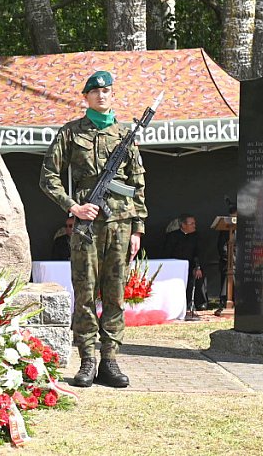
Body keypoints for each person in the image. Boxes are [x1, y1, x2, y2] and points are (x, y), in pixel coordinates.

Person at [40, 70, 147, 388]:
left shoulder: (125, 134)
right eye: (95, 91)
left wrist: (137, 228)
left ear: (112, 95)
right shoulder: (71, 132)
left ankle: (109, 360)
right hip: (87, 226)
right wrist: (73, 207)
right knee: (85, 293)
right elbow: (48, 177)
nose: (102, 95)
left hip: (120, 225)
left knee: (115, 295)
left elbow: (137, 184)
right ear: (85, 96)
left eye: (107, 90)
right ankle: (87, 359)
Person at [164, 213, 205, 319]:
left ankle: (199, 303)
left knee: (198, 276)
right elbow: (167, 253)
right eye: (191, 224)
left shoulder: (197, 237)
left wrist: (197, 267)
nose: (194, 226)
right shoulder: (172, 236)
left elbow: (199, 253)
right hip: (174, 267)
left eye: (194, 223)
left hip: (191, 266)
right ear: (183, 225)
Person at [215, 204, 237, 316]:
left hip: (242, 260)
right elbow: (222, 247)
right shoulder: (225, 230)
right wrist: (231, 259)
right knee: (229, 271)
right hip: (228, 260)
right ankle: (225, 301)